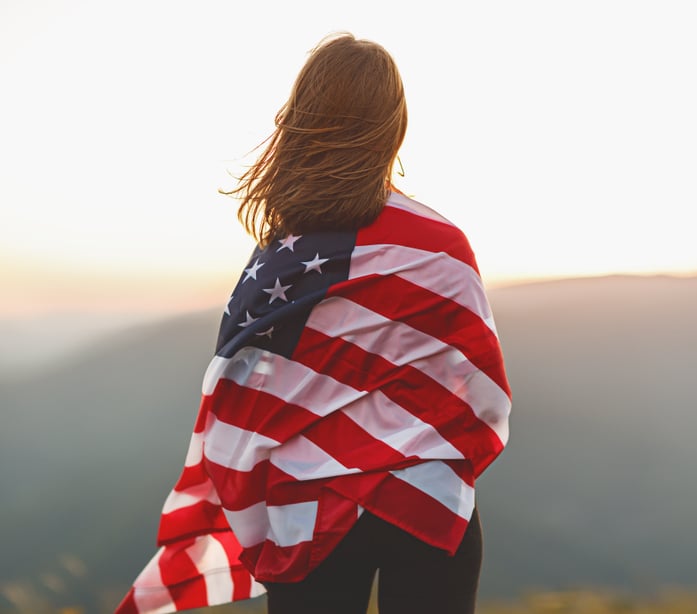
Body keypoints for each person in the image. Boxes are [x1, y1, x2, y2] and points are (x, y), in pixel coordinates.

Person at [115, 32, 511, 614]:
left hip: (306, 515)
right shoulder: (441, 247)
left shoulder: (279, 260)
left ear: (302, 121)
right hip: (429, 503)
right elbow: (481, 392)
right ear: (393, 127)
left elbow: (241, 393)